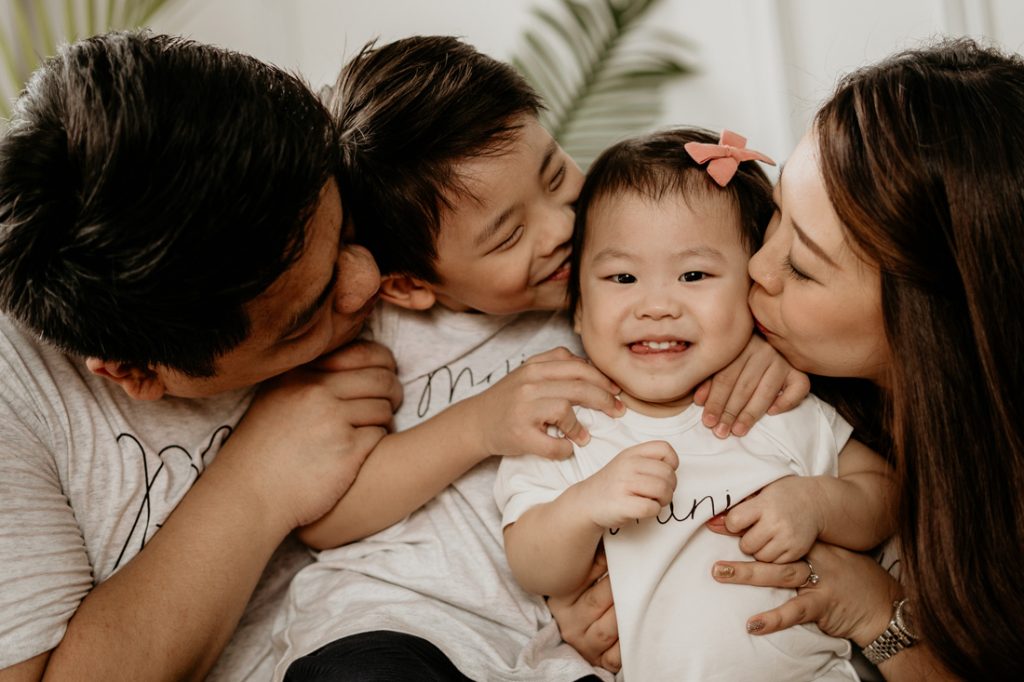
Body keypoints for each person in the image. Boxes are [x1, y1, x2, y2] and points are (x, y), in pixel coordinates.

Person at [271, 38, 809, 681]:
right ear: (409, 283)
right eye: (508, 234)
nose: (559, 227)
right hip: (392, 619)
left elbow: (699, 274)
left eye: (555, 175)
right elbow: (324, 519)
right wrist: (478, 425)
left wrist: (761, 347)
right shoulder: (378, 333)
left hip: (551, 643)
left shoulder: (607, 288)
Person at [553, 38, 1024, 680]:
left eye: (800, 267)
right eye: (774, 217)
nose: (755, 267)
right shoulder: (763, 376)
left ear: (924, 325)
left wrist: (877, 616)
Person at [0, 31, 402, 680]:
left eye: (349, 227)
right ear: (135, 372)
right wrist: (260, 480)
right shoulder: (16, 397)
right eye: (307, 315)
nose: (367, 279)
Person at [495, 127, 895, 680]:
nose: (656, 305)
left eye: (694, 274)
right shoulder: (570, 423)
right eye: (622, 276)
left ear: (754, 287)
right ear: (579, 312)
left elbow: (884, 496)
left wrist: (817, 505)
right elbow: (534, 566)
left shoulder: (776, 403)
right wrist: (583, 506)